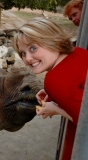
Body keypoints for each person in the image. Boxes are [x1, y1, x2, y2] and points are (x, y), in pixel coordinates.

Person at [12, 17, 88, 160]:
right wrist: (53, 95)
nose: (27, 58)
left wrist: (56, 109)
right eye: (22, 53)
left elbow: (85, 121)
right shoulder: (79, 52)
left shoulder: (53, 80)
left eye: (33, 48)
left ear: (54, 41)